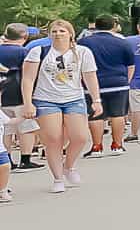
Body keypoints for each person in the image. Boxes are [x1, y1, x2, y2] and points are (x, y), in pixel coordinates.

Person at [19, 19, 102, 193]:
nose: (58, 34)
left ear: (70, 33)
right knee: (53, 139)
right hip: (46, 99)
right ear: (49, 35)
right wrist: (28, 103)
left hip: (74, 98)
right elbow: (27, 79)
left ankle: (69, 166)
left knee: (80, 137)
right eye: (54, 31)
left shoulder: (82, 52)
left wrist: (96, 100)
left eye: (62, 31)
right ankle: (57, 178)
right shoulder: (38, 51)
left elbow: (90, 77)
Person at [78, 15, 136, 155]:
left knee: (95, 115)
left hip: (92, 84)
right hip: (118, 83)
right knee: (118, 114)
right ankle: (117, 144)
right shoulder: (123, 42)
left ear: (95, 26)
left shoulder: (83, 42)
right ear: (114, 26)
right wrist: (126, 81)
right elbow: (130, 65)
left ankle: (97, 146)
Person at [0, 22, 40, 171]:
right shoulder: (24, 52)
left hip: (2, 95)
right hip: (19, 94)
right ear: (25, 36)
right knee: (26, 128)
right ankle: (25, 159)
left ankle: (7, 159)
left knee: (6, 128)